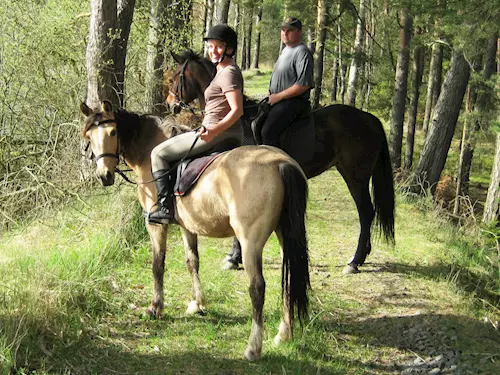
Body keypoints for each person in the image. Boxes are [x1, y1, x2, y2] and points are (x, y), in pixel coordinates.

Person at [148, 24, 244, 224]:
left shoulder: (228, 73)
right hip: (219, 130)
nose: (213, 51)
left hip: (219, 133)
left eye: (218, 47)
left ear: (230, 49)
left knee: (158, 153)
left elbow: (237, 110)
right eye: (210, 46)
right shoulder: (222, 70)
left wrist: (212, 131)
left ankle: (165, 208)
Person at [260, 17, 314, 147]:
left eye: (289, 30)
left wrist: (277, 97)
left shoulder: (302, 52)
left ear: (299, 32)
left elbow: (303, 85)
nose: (285, 33)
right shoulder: (285, 51)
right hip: (277, 100)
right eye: (283, 29)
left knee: (268, 132)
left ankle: (276, 164)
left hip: (294, 102)